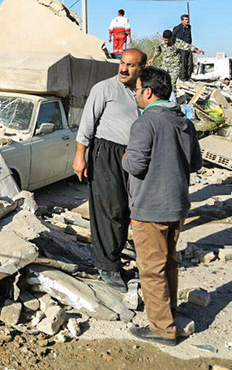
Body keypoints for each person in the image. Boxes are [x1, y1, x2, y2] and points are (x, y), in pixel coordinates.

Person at [123, 66, 202, 346]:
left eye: (136, 89)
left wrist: (125, 156)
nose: (134, 94)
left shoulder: (145, 123)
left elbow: (135, 164)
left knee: (151, 269)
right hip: (177, 205)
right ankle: (169, 313)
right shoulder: (184, 122)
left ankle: (162, 328)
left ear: (148, 91)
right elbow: (195, 163)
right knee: (169, 262)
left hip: (151, 207)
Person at [74, 48, 147, 291]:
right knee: (109, 209)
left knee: (125, 210)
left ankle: (114, 259)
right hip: (106, 153)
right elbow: (87, 125)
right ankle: (106, 266)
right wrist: (79, 156)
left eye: (131, 65)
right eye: (122, 63)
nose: (124, 69)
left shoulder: (143, 91)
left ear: (141, 68)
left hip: (133, 155)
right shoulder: (104, 88)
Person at [171, 14, 194, 80]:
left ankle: (188, 78)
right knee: (183, 63)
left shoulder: (188, 27)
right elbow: (172, 36)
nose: (187, 21)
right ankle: (182, 78)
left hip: (188, 47)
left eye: (188, 19)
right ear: (182, 21)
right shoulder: (178, 28)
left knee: (190, 64)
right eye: (185, 20)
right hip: (182, 47)